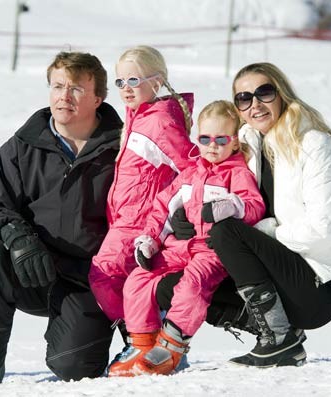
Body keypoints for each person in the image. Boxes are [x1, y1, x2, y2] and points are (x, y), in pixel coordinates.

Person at [0, 51, 124, 387]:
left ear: (98, 98)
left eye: (76, 89)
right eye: (57, 86)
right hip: (33, 267)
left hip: (91, 279)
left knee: (75, 369)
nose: (63, 96)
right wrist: (19, 238)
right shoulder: (20, 147)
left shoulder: (123, 150)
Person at [158, 62, 331, 368]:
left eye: (264, 92)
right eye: (244, 98)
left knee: (226, 231)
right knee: (175, 286)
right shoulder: (248, 140)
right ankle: (280, 332)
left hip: (318, 283)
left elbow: (324, 228)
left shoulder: (313, 143)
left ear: (281, 93)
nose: (255, 104)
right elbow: (208, 176)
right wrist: (187, 218)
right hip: (275, 277)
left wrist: (265, 231)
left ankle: (278, 339)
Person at [107, 100, 265, 377]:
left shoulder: (237, 173)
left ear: (235, 143)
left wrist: (232, 206)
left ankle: (172, 346)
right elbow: (162, 208)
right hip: (178, 247)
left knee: (192, 284)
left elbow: (253, 204)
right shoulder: (191, 173)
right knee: (138, 279)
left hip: (211, 251)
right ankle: (142, 344)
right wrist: (150, 240)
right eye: (205, 138)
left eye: (221, 139)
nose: (212, 146)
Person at [88, 46, 195, 351]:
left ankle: (144, 338)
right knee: (126, 280)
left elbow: (191, 169)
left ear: (157, 81)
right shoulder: (140, 115)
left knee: (103, 274)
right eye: (120, 82)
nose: (125, 89)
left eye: (133, 80)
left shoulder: (159, 122)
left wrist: (170, 209)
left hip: (142, 221)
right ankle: (147, 338)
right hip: (126, 219)